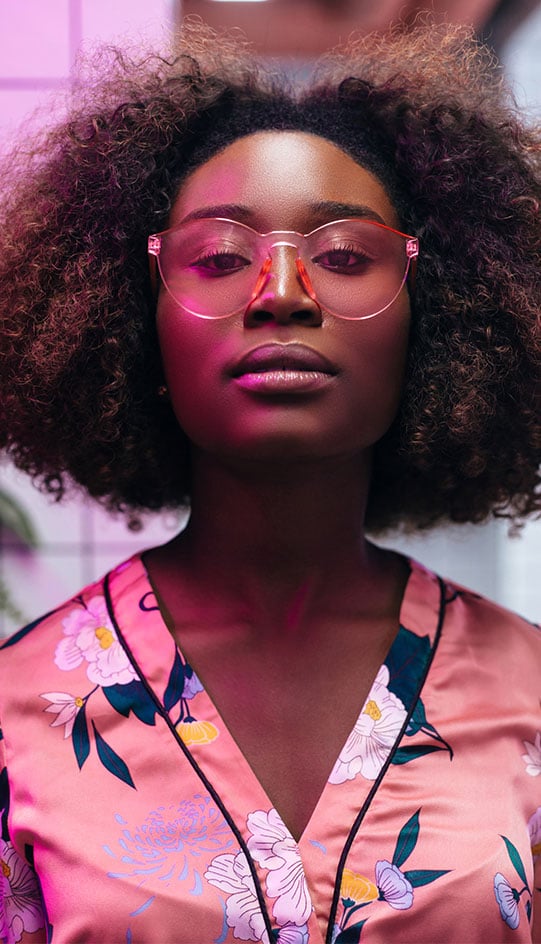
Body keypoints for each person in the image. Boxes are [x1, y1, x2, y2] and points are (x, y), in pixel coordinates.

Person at [0, 18, 539, 944]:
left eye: (342, 258)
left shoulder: (530, 696)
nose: (281, 292)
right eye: (217, 258)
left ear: (441, 326)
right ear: (134, 325)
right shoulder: (15, 724)